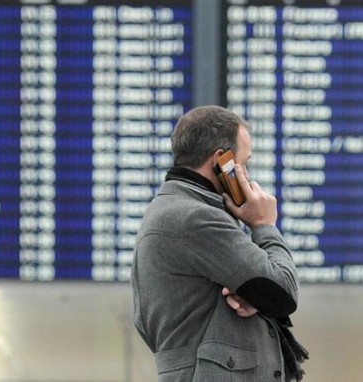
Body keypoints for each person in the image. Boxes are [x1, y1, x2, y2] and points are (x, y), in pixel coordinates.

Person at [131, 105, 308, 381]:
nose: (247, 178)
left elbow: (265, 296)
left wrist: (256, 298)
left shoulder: (172, 211)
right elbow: (282, 292)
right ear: (220, 161)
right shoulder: (195, 218)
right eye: (244, 164)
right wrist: (264, 225)